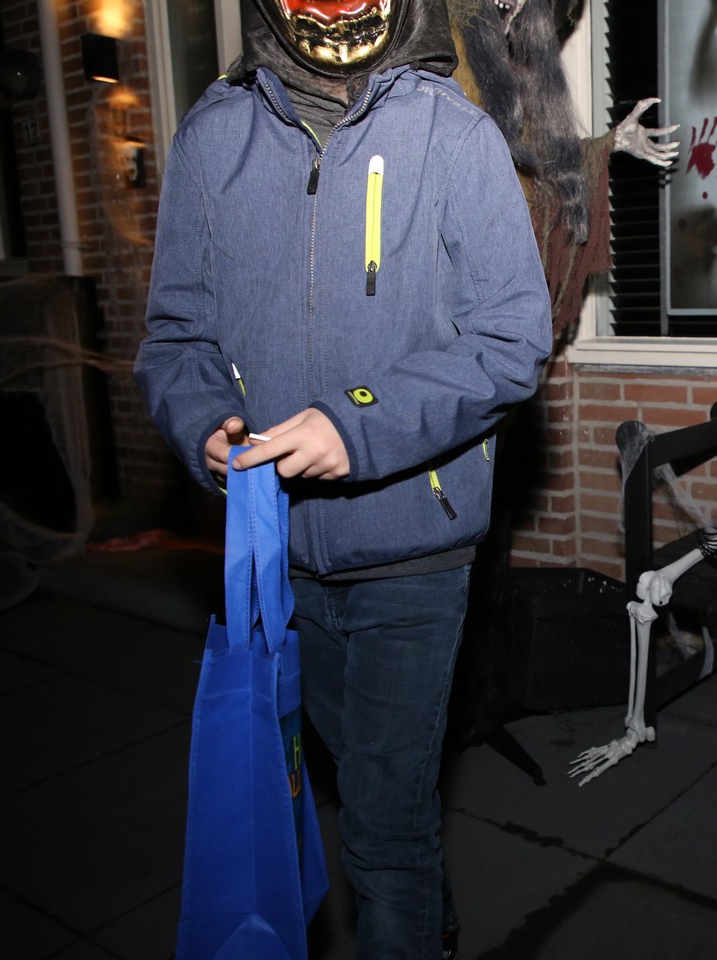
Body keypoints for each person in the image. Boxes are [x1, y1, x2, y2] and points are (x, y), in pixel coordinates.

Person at [133, 1, 552, 956]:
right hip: (276, 545)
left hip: (414, 546)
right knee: (362, 780)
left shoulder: (453, 134)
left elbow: (511, 340)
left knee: (381, 822)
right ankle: (434, 925)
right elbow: (176, 337)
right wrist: (203, 421)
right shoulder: (213, 136)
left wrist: (355, 426)